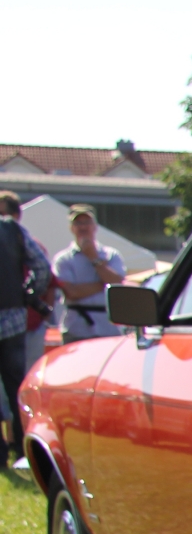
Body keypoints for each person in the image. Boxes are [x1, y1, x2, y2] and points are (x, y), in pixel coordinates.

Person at [0, 201, 52, 470]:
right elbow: (42, 267)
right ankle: (23, 450)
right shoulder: (13, 230)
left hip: (11, 315)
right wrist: (29, 291)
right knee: (16, 387)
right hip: (12, 318)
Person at [53, 205, 126, 342]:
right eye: (78, 223)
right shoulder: (63, 259)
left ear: (95, 226)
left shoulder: (111, 255)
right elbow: (71, 292)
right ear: (71, 228)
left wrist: (94, 258)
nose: (83, 227)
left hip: (108, 328)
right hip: (77, 328)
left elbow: (116, 282)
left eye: (87, 222)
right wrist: (104, 283)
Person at [0, 191, 55, 370]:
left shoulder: (24, 239)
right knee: (19, 384)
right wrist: (28, 294)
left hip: (29, 325)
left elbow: (49, 282)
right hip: (17, 319)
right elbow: (42, 270)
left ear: (15, 215)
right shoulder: (22, 237)